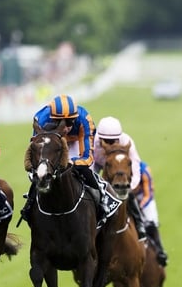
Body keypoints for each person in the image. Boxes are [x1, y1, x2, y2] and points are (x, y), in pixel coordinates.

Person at [19, 94, 120, 227]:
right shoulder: (41, 119)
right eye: (59, 122)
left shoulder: (85, 119)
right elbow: (36, 151)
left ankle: (101, 197)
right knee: (40, 173)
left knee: (85, 171)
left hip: (76, 143)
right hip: (52, 142)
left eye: (70, 122)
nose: (65, 127)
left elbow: (87, 157)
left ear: (75, 118)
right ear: (52, 118)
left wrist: (72, 162)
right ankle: (30, 204)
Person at [92, 116, 168, 266]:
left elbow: (136, 168)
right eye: (106, 142)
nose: (110, 145)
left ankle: (158, 248)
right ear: (99, 139)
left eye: (113, 141)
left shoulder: (127, 142)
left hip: (125, 180)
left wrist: (129, 189)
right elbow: (91, 169)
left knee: (151, 219)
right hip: (102, 168)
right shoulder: (92, 144)